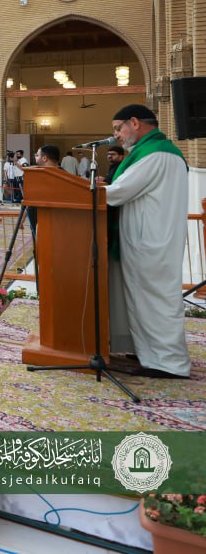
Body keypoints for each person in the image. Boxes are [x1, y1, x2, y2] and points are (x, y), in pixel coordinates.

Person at [102, 104, 191, 379]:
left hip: (151, 241)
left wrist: (86, 193)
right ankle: (148, 353)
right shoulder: (155, 152)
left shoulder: (155, 155)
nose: (117, 135)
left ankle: (170, 363)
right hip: (150, 238)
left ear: (135, 122)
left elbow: (118, 192)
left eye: (119, 128)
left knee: (155, 301)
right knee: (144, 300)